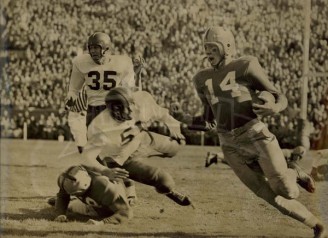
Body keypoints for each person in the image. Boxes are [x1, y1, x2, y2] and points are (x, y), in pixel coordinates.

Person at [169, 26, 326, 237]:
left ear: (227, 47)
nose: (208, 52)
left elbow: (277, 94)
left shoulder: (245, 66)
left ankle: (294, 170)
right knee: (266, 194)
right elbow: (208, 121)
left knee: (287, 190)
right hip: (229, 144)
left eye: (213, 48)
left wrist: (275, 106)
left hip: (254, 133)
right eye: (206, 48)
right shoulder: (201, 79)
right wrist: (182, 118)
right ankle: (317, 225)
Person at [79, 87, 193, 208]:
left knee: (175, 146)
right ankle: (165, 191)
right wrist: (105, 171)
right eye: (128, 108)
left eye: (132, 104)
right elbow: (87, 156)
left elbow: (164, 115)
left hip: (144, 143)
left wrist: (174, 128)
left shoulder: (141, 101)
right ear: (116, 110)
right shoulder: (100, 126)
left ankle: (128, 185)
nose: (133, 109)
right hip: (120, 160)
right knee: (166, 183)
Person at [49, 165, 132, 225]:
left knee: (77, 208)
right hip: (95, 199)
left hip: (107, 204)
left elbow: (126, 213)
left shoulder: (104, 188)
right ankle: (69, 202)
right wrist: (60, 214)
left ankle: (131, 194)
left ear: (84, 185)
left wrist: (102, 223)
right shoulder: (72, 177)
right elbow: (63, 195)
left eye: (76, 193)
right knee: (73, 205)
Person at [66, 85, 88, 153]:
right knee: (75, 131)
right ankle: (80, 146)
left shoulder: (86, 87)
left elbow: (89, 100)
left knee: (82, 131)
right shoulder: (71, 87)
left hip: (82, 113)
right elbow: (70, 100)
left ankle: (82, 147)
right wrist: (66, 108)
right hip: (73, 113)